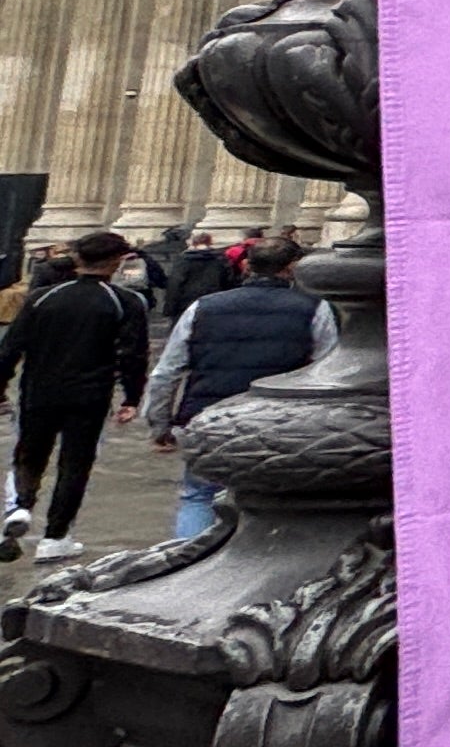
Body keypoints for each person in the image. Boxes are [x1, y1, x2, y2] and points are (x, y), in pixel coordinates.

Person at [145, 240, 336, 538]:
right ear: (291, 269)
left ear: (247, 266)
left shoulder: (202, 308)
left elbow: (166, 373)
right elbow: (326, 372)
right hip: (278, 422)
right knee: (273, 503)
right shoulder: (315, 309)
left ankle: (187, 565)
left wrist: (160, 424)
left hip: (206, 417)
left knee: (199, 497)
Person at [0, 231, 149, 561]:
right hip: (90, 395)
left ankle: (20, 507)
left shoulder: (41, 297)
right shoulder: (125, 302)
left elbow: (10, 348)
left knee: (29, 452)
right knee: (75, 463)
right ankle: (56, 536)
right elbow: (133, 355)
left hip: (39, 390)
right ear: (116, 262)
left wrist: (0, 385)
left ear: (78, 259)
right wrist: (131, 398)